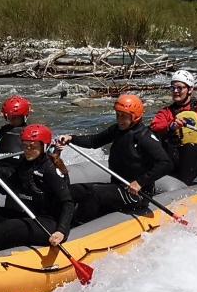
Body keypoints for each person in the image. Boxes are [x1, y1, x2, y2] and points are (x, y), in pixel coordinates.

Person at [56, 94, 172, 224]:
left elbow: (165, 163)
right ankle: (56, 220)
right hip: (117, 186)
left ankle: (77, 227)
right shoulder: (117, 130)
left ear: (135, 117)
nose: (119, 119)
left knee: (94, 193)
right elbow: (94, 141)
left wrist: (140, 182)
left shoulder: (144, 137)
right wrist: (72, 138)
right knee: (73, 191)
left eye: (124, 116)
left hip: (136, 194)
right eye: (118, 115)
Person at [0, 124, 75, 250]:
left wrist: (61, 231)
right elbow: (8, 187)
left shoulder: (50, 169)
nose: (28, 149)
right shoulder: (23, 164)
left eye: (33, 146)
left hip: (49, 222)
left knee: (6, 228)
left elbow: (67, 203)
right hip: (29, 215)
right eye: (25, 145)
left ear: (44, 146)